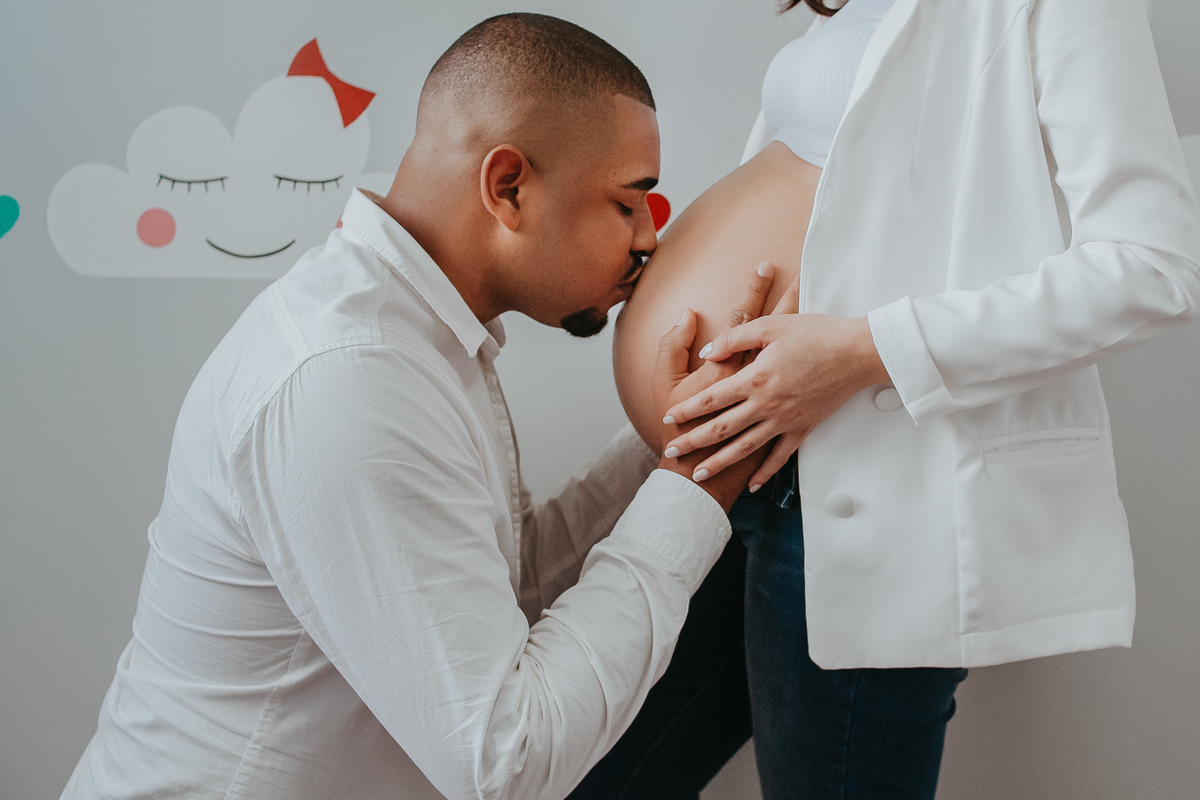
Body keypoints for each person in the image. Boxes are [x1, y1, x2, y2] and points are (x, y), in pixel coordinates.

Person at [60, 14, 776, 800]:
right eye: (629, 202)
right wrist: (697, 485)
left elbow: (510, 584)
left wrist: (684, 434)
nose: (647, 238)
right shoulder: (351, 381)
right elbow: (507, 763)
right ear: (509, 187)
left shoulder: (420, 336)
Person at [601, 0, 1200, 798]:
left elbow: (1151, 268)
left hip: (859, 492)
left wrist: (860, 351)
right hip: (732, 474)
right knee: (601, 775)